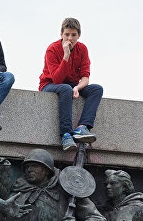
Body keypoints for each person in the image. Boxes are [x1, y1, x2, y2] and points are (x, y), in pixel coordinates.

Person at [39, 17, 103, 151]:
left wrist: (77, 87)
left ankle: (82, 128)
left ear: (79, 35)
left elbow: (85, 78)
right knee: (65, 88)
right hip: (49, 85)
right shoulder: (52, 49)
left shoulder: (82, 49)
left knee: (96, 89)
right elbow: (57, 79)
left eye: (74, 35)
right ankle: (66, 134)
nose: (70, 38)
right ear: (61, 34)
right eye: (67, 34)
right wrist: (66, 55)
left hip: (71, 85)